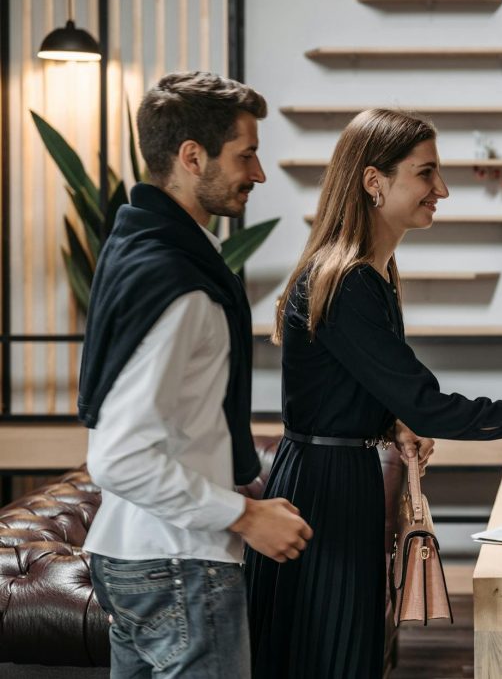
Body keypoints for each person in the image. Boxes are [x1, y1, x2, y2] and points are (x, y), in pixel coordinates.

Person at [245, 108, 502, 677]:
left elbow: (357, 389)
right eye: (427, 173)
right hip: (325, 491)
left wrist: (391, 421)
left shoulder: (374, 275)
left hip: (344, 479)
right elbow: (428, 404)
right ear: (373, 181)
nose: (443, 189)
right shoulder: (350, 281)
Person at [79, 71, 313, 678]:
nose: (258, 174)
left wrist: (243, 490)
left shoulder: (138, 245)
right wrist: (244, 517)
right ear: (191, 156)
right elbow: (118, 457)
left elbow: (180, 419)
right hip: (179, 563)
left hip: (131, 550)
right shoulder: (181, 286)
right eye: (246, 154)